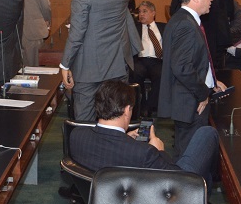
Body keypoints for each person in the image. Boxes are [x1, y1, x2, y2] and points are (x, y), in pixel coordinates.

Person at [70, 80, 220, 194]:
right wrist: (160, 151)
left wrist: (124, 137)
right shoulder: (144, 153)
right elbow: (177, 180)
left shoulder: (76, 136)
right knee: (207, 133)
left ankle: (206, 183)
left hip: (102, 201)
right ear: (127, 110)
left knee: (205, 171)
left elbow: (107, 149)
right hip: (157, 203)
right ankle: (205, 189)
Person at [159, 0, 227, 154]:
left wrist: (212, 82)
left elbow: (196, 60)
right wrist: (203, 93)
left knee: (189, 153)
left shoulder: (182, 19)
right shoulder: (185, 25)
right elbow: (182, 67)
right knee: (190, 157)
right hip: (191, 102)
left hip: (187, 99)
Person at [132, 1, 165, 118]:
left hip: (157, 60)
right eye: (140, 12)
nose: (141, 14)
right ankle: (141, 106)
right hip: (141, 60)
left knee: (161, 74)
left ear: (153, 13)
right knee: (135, 72)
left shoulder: (163, 27)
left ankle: (149, 107)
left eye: (144, 11)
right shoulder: (135, 28)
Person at [18, 0, 51, 67]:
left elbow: (45, 5)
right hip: (24, 33)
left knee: (34, 67)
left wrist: (47, 21)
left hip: (34, 32)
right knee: (26, 67)